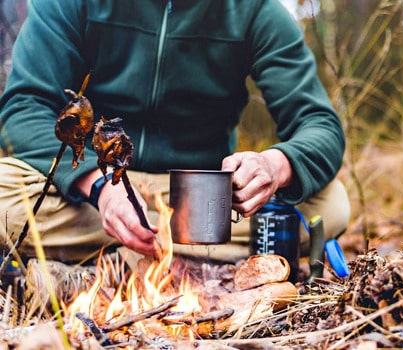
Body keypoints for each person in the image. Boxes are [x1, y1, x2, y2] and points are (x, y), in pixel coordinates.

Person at [0, 0, 350, 263]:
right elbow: (24, 106)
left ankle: (120, 256)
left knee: (330, 205)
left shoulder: (256, 10)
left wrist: (275, 166)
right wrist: (99, 187)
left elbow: (319, 124)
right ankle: (188, 257)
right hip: (95, 189)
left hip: (201, 198)